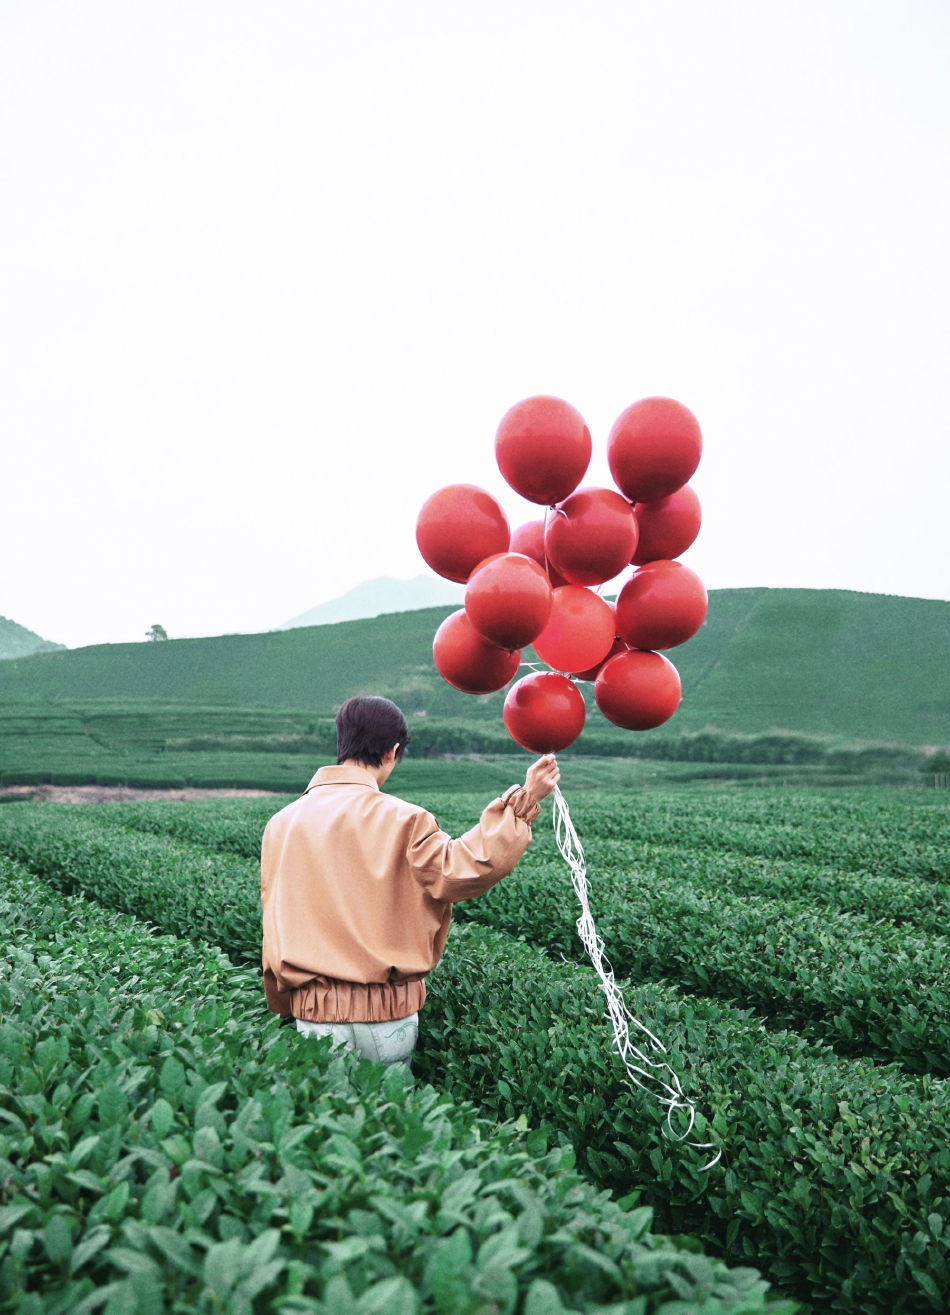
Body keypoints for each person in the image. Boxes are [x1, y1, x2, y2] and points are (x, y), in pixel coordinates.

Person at [260, 694, 559, 1069]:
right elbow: (464, 867)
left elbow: (272, 920)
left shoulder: (281, 824)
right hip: (386, 1016)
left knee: (328, 1122)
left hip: (313, 1014)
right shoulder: (405, 819)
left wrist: (284, 1003)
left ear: (342, 745)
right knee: (391, 1122)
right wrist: (526, 798)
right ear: (393, 751)